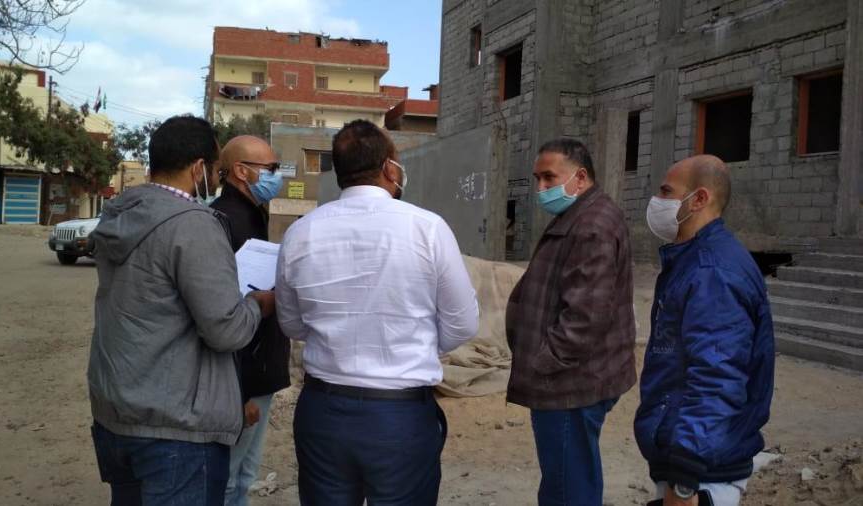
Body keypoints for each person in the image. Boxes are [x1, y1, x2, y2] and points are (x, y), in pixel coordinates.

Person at [275, 119, 480, 506]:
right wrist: (412, 345)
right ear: (389, 168)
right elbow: (463, 323)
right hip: (400, 416)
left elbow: (292, 324)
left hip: (324, 413)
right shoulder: (427, 228)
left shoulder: (300, 233)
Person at [87, 116, 275, 505]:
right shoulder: (194, 224)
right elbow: (226, 330)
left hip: (116, 414)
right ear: (199, 168)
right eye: (215, 169)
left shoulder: (120, 212)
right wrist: (258, 305)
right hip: (175, 429)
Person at [636, 155, 774, 506]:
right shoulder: (690, 261)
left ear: (698, 199)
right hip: (689, 457)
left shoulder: (712, 271)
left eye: (667, 191)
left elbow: (717, 376)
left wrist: (684, 475)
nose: (657, 201)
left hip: (702, 472)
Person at [505, 138, 636, 506]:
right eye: (538, 178)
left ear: (580, 177)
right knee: (569, 475)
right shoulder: (579, 214)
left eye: (549, 177)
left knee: (567, 486)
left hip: (569, 384)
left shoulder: (592, 225)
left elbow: (584, 317)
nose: (541, 188)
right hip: (570, 379)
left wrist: (543, 363)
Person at [211, 135, 291, 506]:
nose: (277, 176)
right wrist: (239, 393)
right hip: (243, 373)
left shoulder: (252, 213)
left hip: (257, 367)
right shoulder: (226, 220)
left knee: (245, 471)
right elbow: (223, 311)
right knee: (229, 476)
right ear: (242, 171)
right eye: (271, 169)